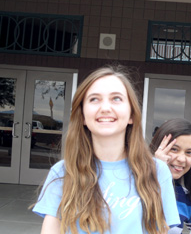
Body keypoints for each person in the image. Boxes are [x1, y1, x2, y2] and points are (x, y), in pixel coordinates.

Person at [32, 65, 180, 234]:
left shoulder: (157, 171)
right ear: (82, 116)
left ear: (131, 115)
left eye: (116, 98)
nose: (105, 108)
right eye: (94, 99)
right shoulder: (62, 172)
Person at [149, 118, 191, 234]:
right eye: (174, 149)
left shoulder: (187, 198)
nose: (181, 159)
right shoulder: (131, 185)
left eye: (189, 152)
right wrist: (155, 170)